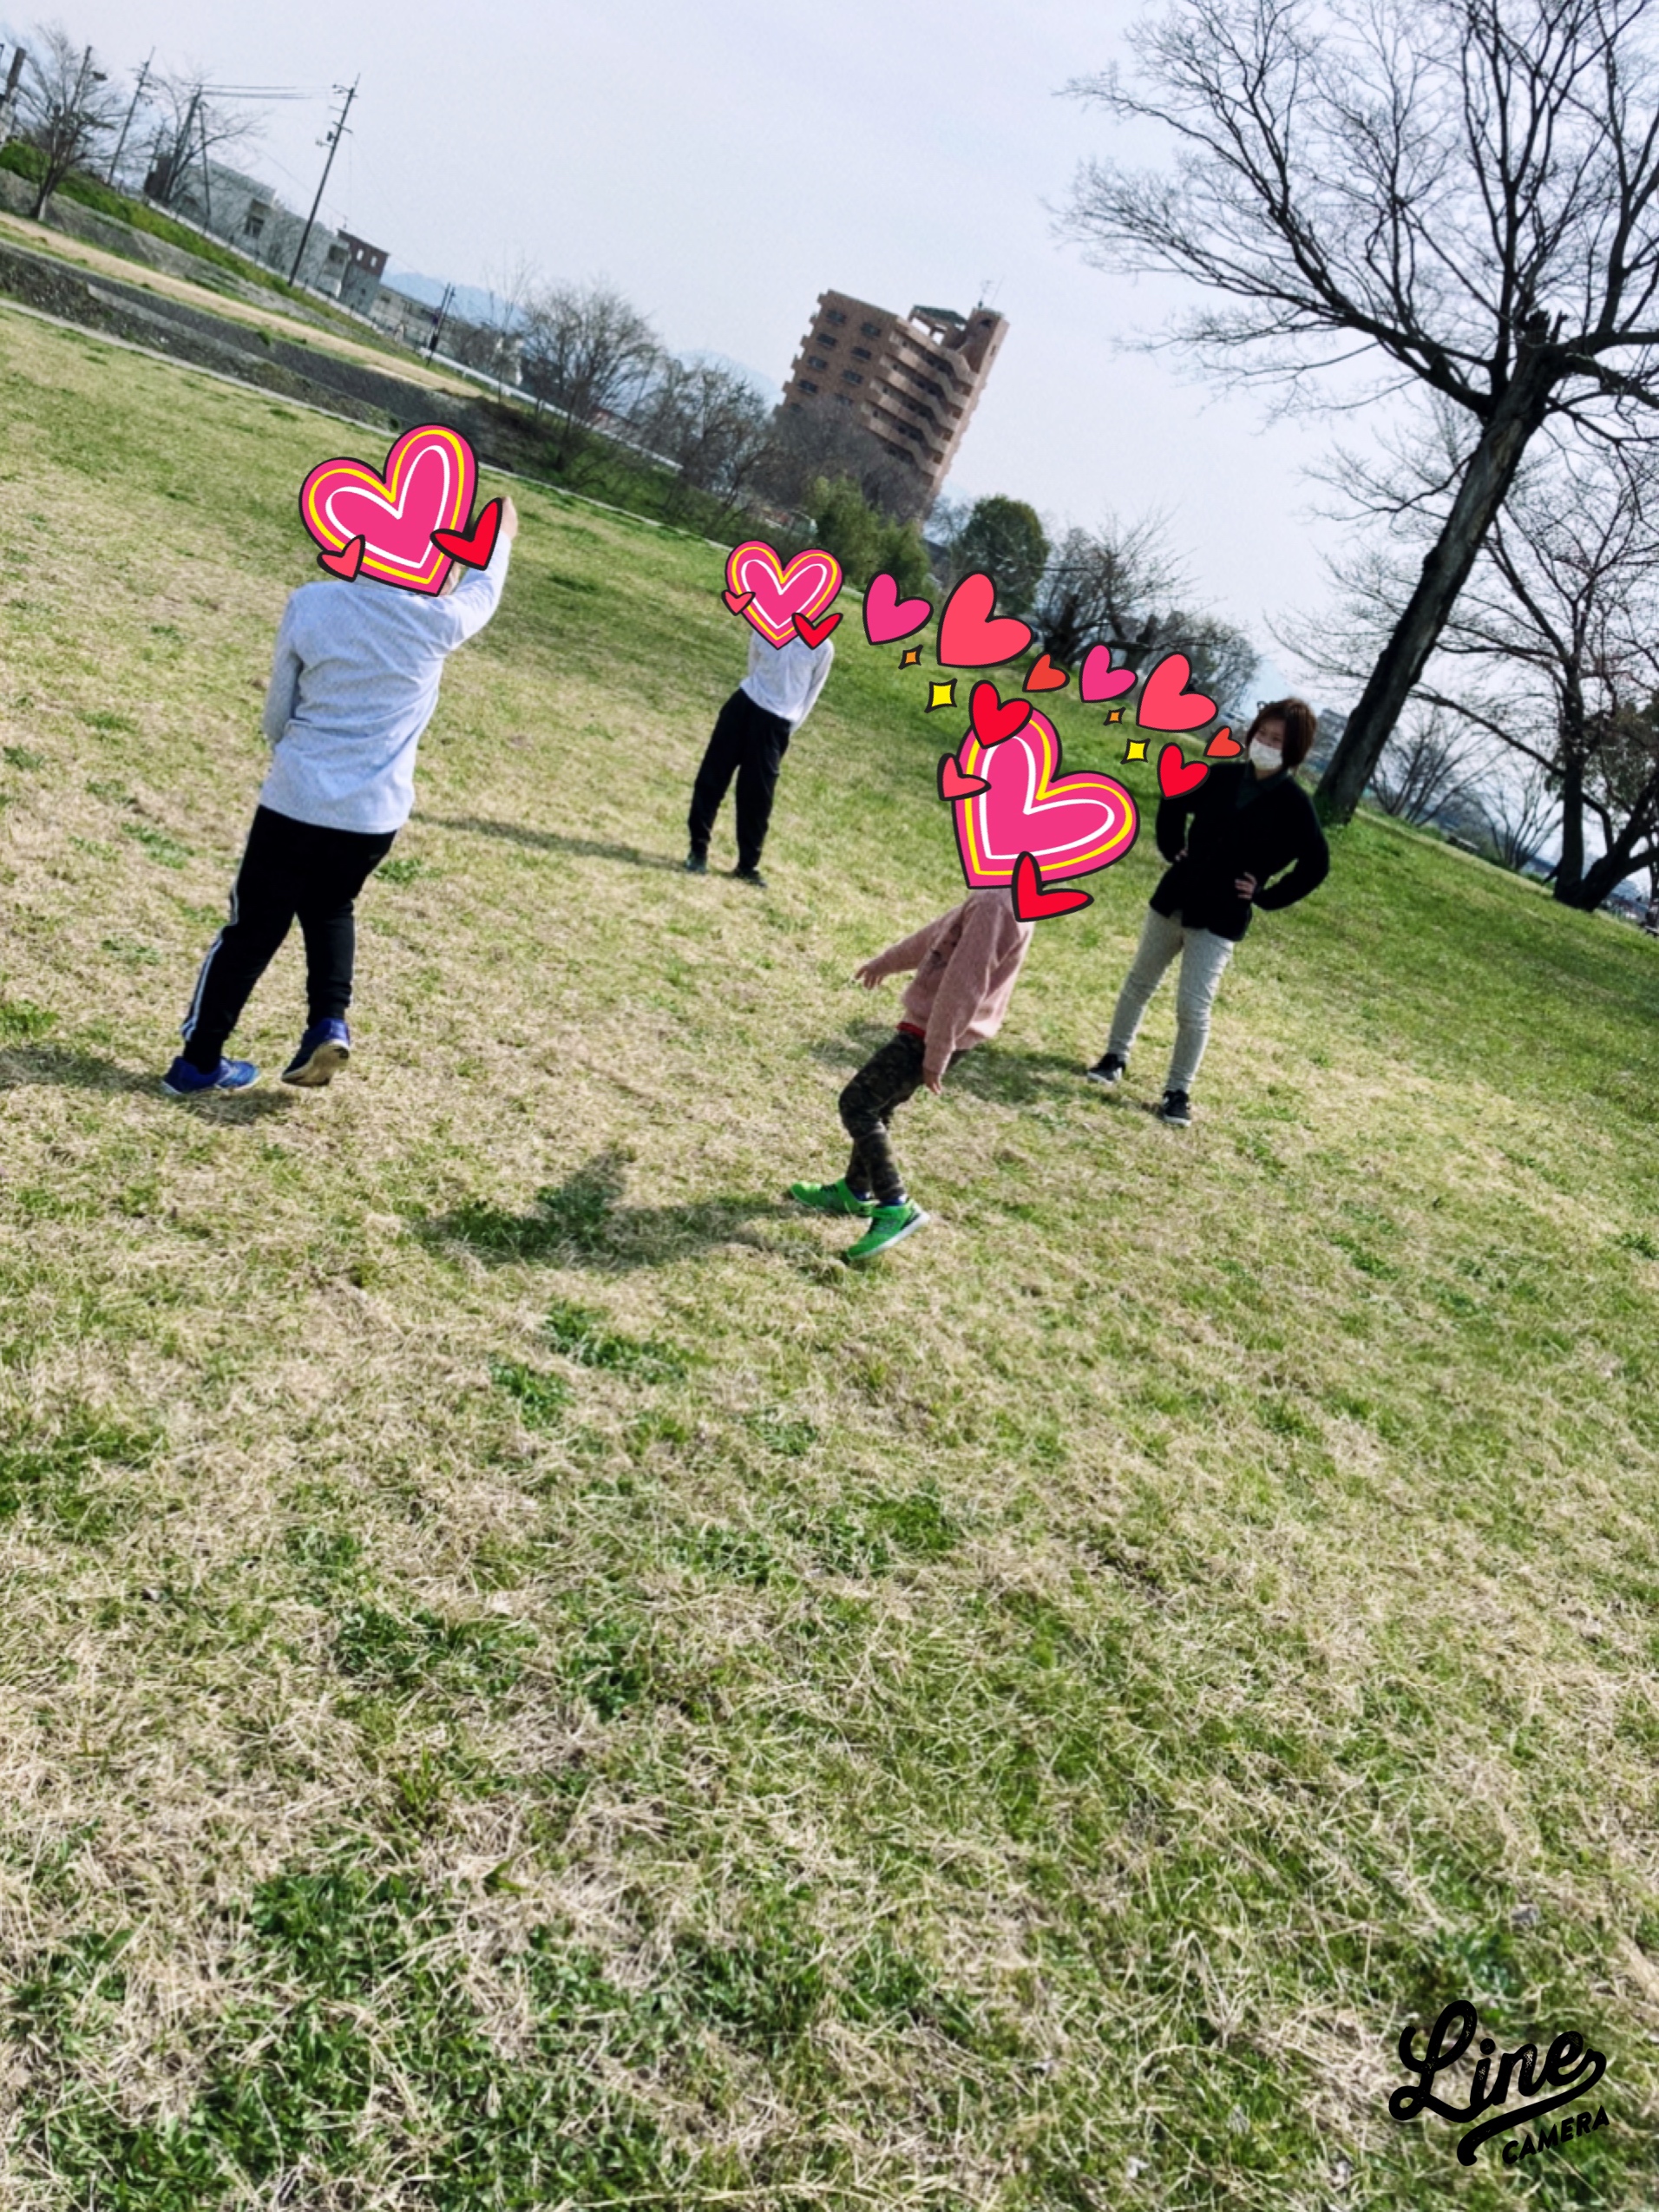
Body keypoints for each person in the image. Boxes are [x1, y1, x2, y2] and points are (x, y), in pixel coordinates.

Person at [161, 497, 519, 1096]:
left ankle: (199, 1062)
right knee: (331, 906)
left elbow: (277, 715)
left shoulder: (314, 602)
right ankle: (328, 1021)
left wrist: (292, 749)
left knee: (253, 928)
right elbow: (486, 587)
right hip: (374, 814)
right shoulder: (438, 621)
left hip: (296, 798)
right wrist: (500, 535)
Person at [1085, 698, 1329, 1125]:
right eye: (1262, 734)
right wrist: (1172, 845)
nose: (1266, 744)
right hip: (1174, 898)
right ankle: (1114, 1057)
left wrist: (1264, 895)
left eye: (1277, 740)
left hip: (1221, 917)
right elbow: (1174, 798)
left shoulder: (1294, 804)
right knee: (1139, 982)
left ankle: (1177, 1091)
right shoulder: (1221, 776)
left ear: (1294, 750)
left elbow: (1316, 863)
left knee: (1193, 1007)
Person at [790, 887, 1035, 1264]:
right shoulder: (1004, 893)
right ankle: (854, 1191)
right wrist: (886, 962)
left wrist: (938, 1048)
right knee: (879, 1104)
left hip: (934, 1032)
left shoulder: (996, 904)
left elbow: (964, 983)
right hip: (936, 1029)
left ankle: (895, 1205)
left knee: (857, 1103)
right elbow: (939, 936)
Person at [685, 623, 834, 888]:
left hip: (775, 725)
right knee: (712, 778)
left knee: (757, 796)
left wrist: (787, 727)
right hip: (743, 707)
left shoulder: (822, 647)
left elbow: (812, 692)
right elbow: (753, 665)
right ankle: (698, 850)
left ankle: (747, 865)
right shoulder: (766, 627)